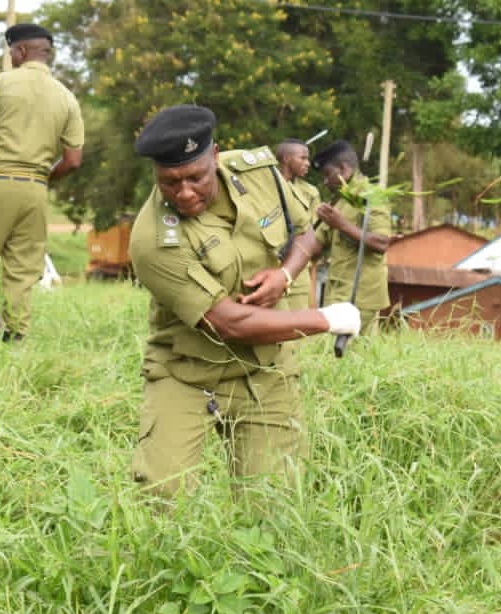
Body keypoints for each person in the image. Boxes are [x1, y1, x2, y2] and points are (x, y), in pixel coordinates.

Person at [129, 104, 361, 498]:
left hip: (266, 372)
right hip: (188, 374)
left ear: (215, 157)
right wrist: (327, 319)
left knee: (274, 505)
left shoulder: (258, 174)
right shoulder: (153, 240)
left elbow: (306, 236)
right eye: (170, 182)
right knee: (161, 501)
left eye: (195, 177)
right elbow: (229, 322)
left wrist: (285, 273)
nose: (184, 193)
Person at [0, 23, 83, 341]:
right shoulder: (67, 98)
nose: (12, 58)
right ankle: (15, 341)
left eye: (12, 52)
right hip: (36, 190)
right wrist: (42, 179)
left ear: (21, 50)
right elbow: (72, 161)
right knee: (23, 272)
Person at [311, 140, 394, 333]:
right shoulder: (341, 200)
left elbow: (381, 243)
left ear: (343, 169)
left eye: (327, 174)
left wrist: (341, 224)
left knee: (348, 355)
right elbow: (318, 241)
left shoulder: (372, 196)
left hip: (361, 293)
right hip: (339, 290)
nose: (325, 181)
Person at [275, 138, 320, 309]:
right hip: (269, 265)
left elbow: (315, 234)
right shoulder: (266, 185)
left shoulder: (310, 192)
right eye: (303, 158)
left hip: (298, 268)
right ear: (286, 158)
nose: (307, 163)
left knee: (298, 329)